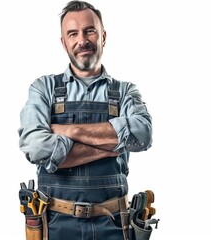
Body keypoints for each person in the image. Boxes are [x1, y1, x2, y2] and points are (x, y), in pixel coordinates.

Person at [18, 1, 153, 239]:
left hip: (114, 224)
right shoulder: (43, 88)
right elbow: (36, 148)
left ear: (103, 36)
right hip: (56, 223)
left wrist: (69, 131)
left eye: (89, 30)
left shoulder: (125, 91)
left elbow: (142, 134)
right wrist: (113, 144)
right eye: (73, 33)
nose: (82, 40)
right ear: (64, 42)